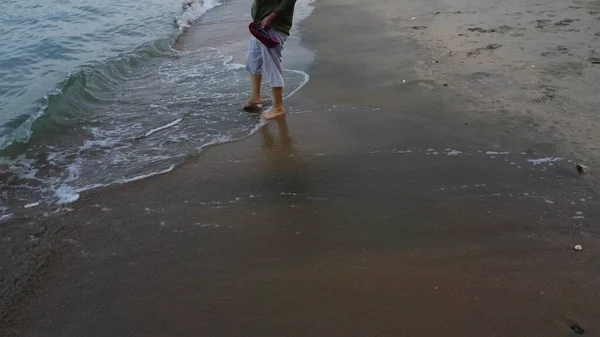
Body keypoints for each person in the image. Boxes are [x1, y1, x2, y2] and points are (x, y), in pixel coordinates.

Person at [243, 0, 297, 120]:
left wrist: (272, 17)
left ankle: (278, 106)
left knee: (272, 66)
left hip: (273, 26)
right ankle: (255, 97)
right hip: (260, 25)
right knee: (252, 62)